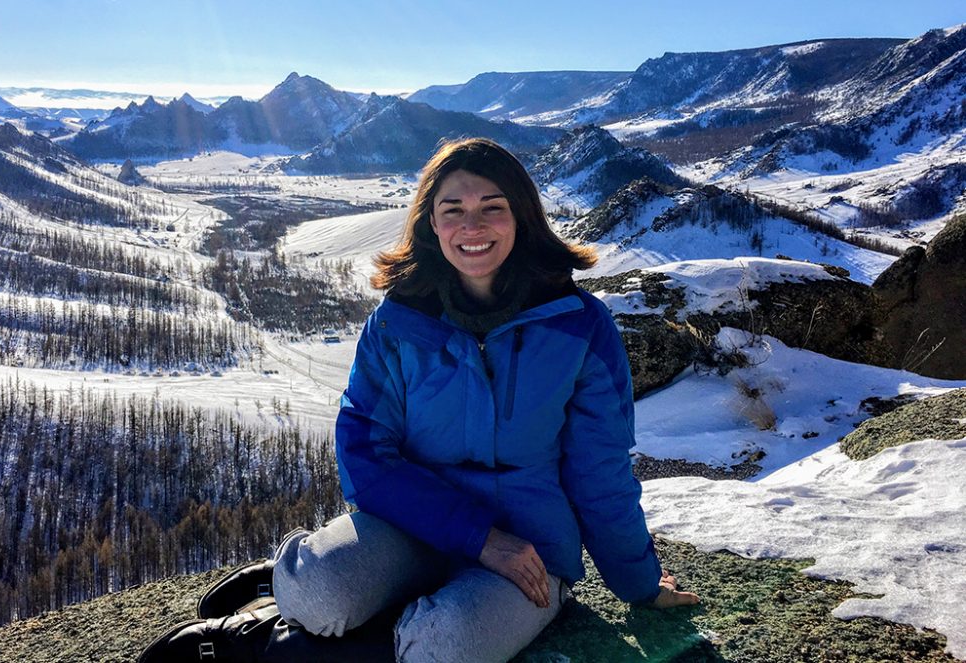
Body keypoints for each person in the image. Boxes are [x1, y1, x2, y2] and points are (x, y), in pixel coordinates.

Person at [139, 138, 697, 662]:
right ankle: (270, 600)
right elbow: (363, 451)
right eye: (452, 208)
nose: (471, 226)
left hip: (530, 545)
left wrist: (640, 584)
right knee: (316, 592)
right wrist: (477, 537)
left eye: (492, 207)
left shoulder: (579, 326)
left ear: (523, 215)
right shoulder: (398, 322)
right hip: (413, 522)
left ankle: (261, 647)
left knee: (446, 645)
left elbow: (599, 470)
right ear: (431, 223)